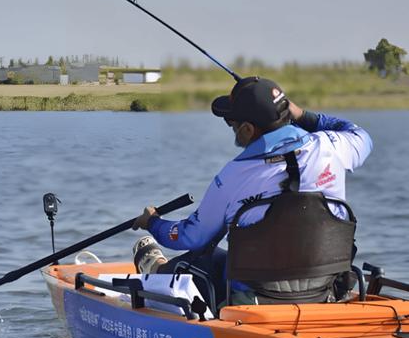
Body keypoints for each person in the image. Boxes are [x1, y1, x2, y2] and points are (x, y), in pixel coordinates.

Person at [131, 76, 372, 307]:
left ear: (247, 129)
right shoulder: (331, 146)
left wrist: (153, 222)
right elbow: (361, 136)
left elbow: (190, 237)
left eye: (231, 123)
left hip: (255, 301)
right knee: (216, 259)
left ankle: (156, 269)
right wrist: (304, 116)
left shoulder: (232, 177)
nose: (231, 128)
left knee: (199, 260)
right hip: (325, 290)